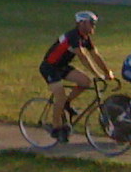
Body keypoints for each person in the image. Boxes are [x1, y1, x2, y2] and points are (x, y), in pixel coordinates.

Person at [40, 11, 114, 142]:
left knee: (86, 82)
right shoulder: (73, 36)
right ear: (82, 23)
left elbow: (95, 54)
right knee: (60, 97)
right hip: (50, 67)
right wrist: (98, 74)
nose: (93, 27)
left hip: (62, 66)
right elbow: (83, 57)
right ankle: (56, 128)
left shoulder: (84, 37)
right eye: (92, 24)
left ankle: (66, 104)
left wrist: (107, 72)